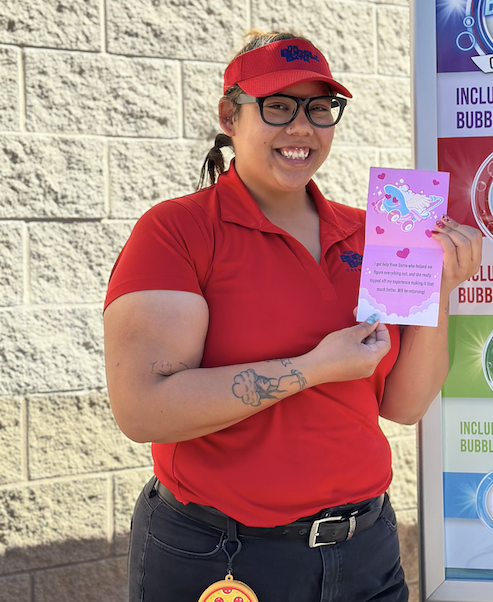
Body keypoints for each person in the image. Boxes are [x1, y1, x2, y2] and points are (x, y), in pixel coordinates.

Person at [103, 31, 482, 602]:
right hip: (224, 557)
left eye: (319, 108)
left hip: (366, 551)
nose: (301, 127)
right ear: (230, 116)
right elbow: (143, 410)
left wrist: (441, 290)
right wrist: (312, 368)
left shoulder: (379, 232)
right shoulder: (177, 231)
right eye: (277, 107)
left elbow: (403, 408)